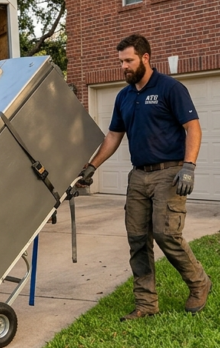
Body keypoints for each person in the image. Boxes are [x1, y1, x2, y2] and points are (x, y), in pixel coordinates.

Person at [77, 34, 212, 319]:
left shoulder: (169, 88)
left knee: (167, 234)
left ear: (145, 58)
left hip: (170, 173)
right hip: (138, 176)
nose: (123, 67)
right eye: (121, 62)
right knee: (137, 239)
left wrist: (189, 166)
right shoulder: (124, 96)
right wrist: (92, 167)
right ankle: (146, 304)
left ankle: (199, 283)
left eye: (128, 61)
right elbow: (114, 135)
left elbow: (193, 127)